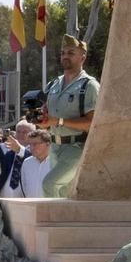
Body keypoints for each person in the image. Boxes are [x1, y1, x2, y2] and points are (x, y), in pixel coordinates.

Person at [41, 34, 99, 197]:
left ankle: (51, 223)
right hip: (55, 147)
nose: (65, 56)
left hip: (77, 147)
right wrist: (40, 120)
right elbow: (43, 112)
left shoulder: (89, 85)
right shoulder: (53, 84)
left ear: (82, 58)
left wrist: (59, 121)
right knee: (65, 193)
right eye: (63, 53)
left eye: (71, 53)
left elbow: (91, 122)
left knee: (49, 184)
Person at [4, 129, 54, 198]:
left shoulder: (56, 163)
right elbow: (24, 188)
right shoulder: (27, 163)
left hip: (52, 206)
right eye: (30, 144)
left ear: (47, 144)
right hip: (31, 206)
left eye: (35, 144)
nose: (31, 147)